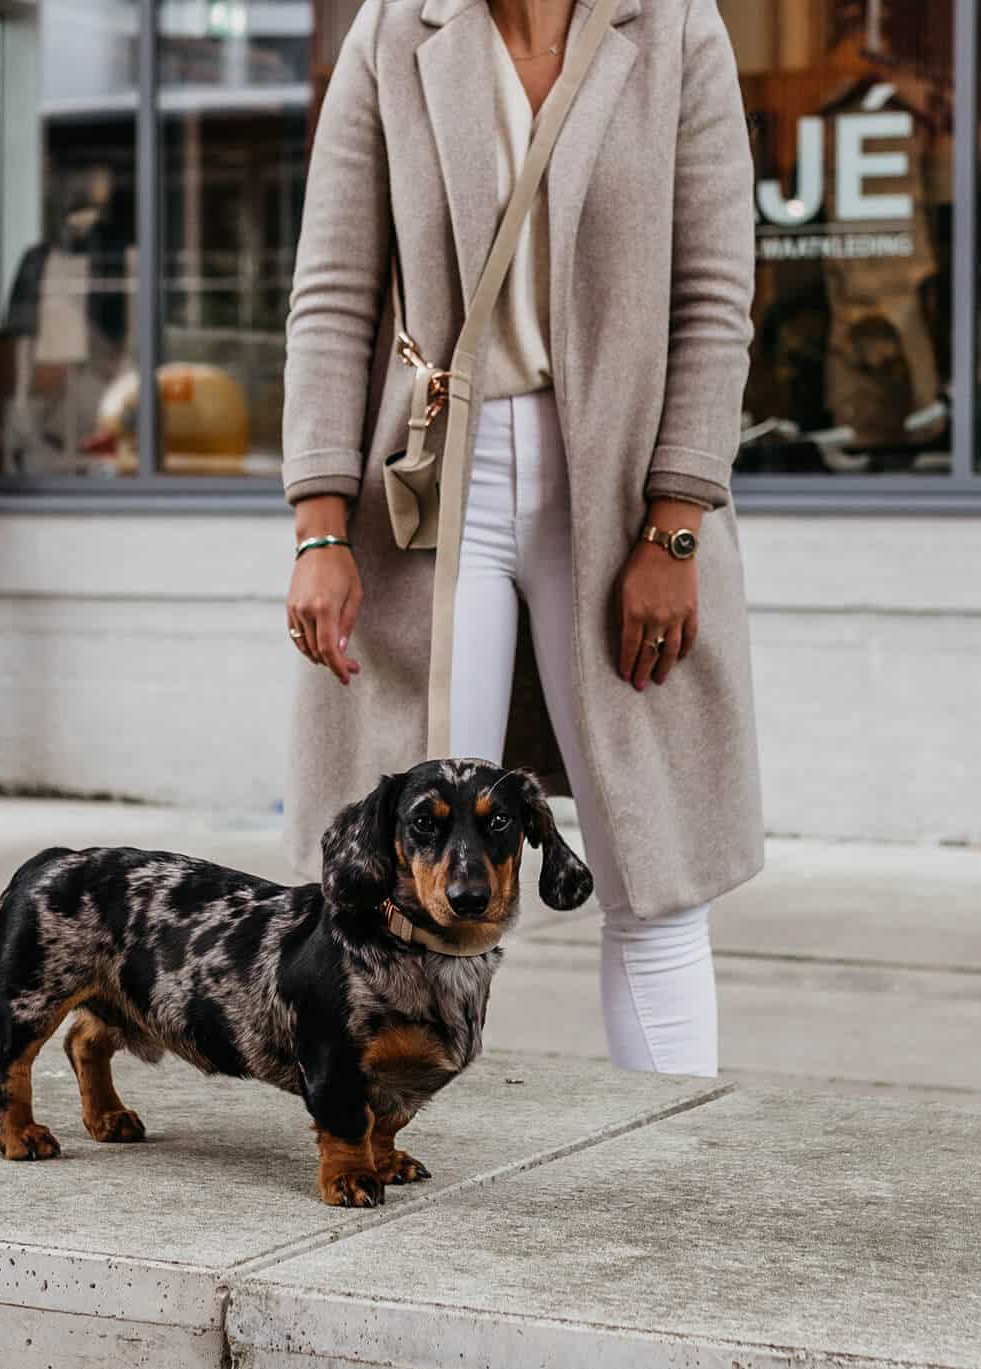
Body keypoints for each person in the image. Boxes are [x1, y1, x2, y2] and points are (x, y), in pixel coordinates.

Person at [279, 0, 763, 1077]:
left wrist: (675, 525)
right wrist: (318, 522)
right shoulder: (396, 33)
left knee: (651, 859)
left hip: (619, 482)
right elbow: (331, 295)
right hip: (429, 492)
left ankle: (668, 1158)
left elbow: (715, 297)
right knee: (400, 863)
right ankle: (371, 1142)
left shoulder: (675, 29)